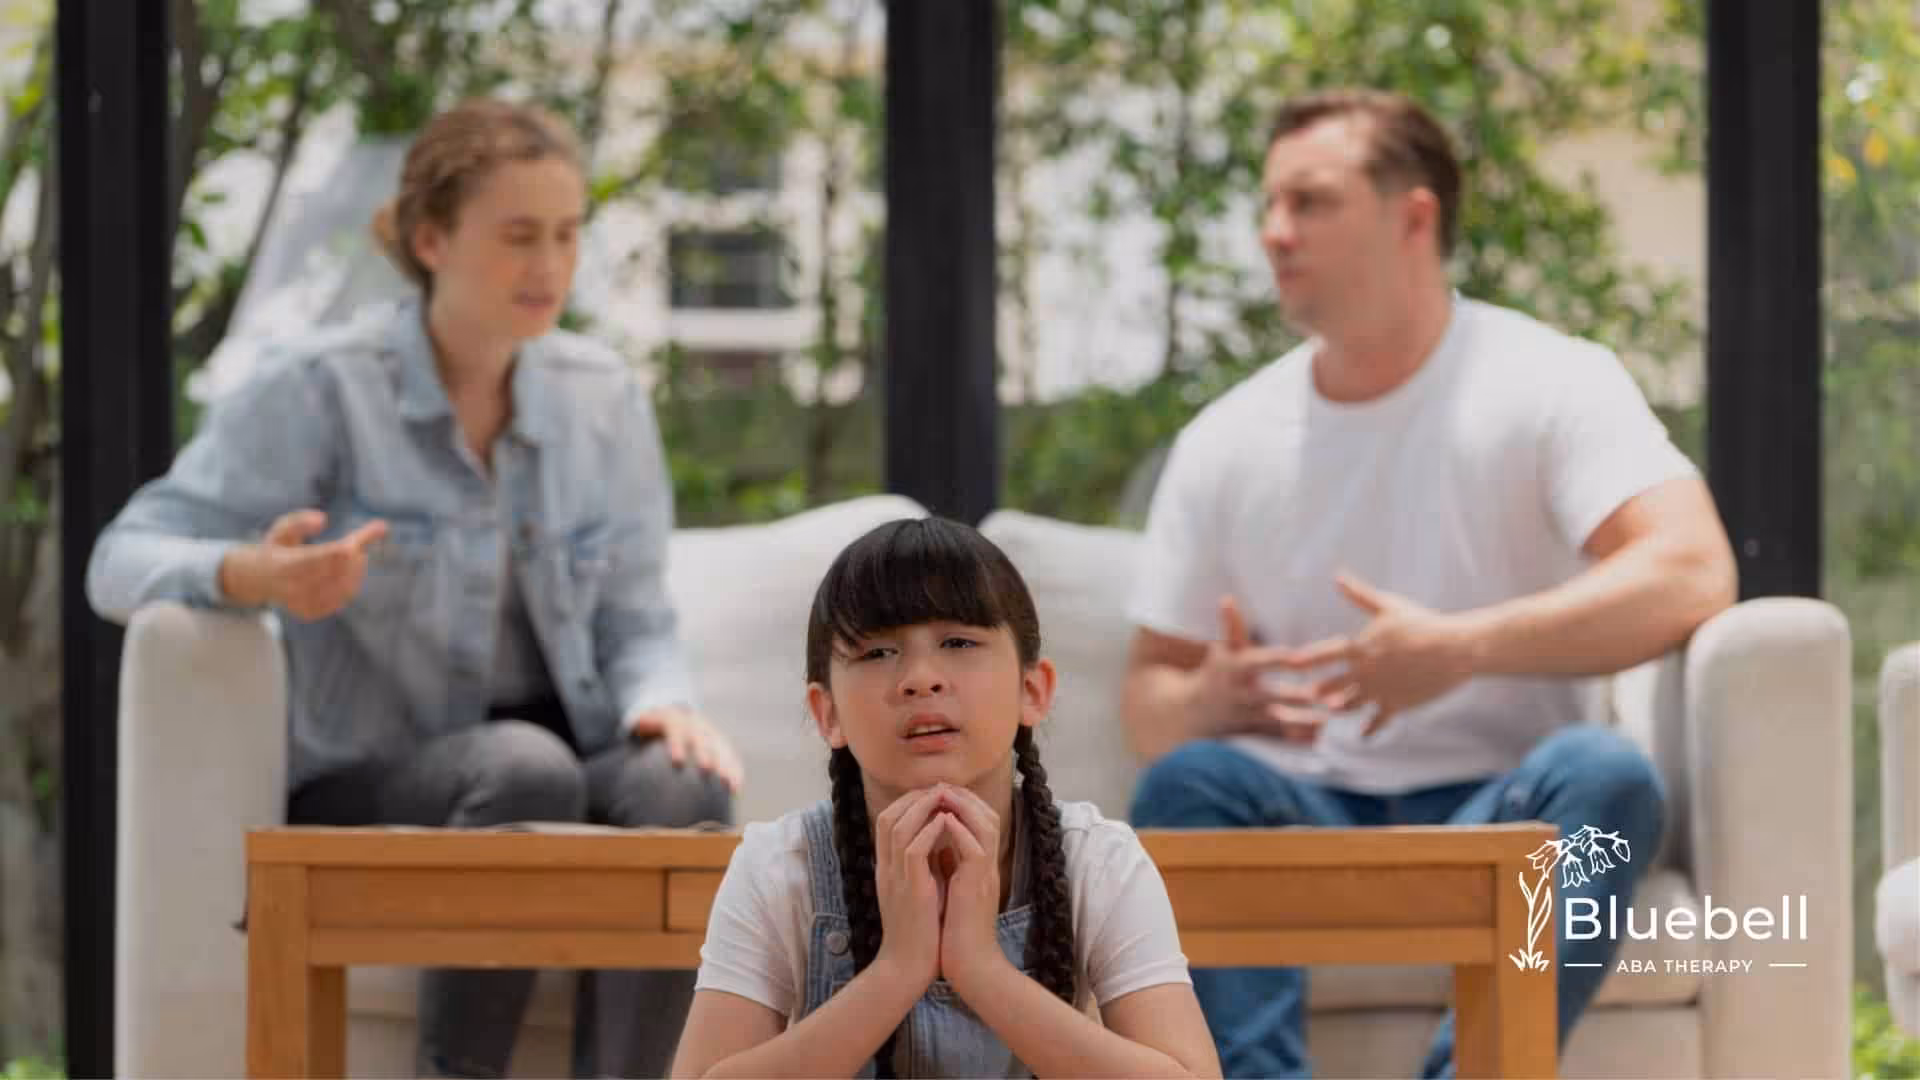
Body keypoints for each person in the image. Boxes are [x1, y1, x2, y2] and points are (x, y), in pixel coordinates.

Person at [86, 98, 740, 1079]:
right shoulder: (320, 388)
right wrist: (253, 575)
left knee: (685, 785)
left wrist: (662, 701)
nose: (551, 265)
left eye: (567, 234)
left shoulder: (603, 397)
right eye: (519, 235)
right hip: (380, 773)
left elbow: (636, 616)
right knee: (526, 770)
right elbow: (119, 554)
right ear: (431, 239)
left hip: (562, 754)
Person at [1121, 89, 1739, 1078]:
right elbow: (1148, 696)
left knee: (1610, 776)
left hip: (1506, 808)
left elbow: (1693, 568)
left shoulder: (1551, 380)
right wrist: (1207, 700)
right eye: (1269, 204)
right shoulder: (1225, 439)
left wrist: (1460, 649)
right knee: (1183, 782)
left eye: (1310, 201)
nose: (1274, 231)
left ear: (1414, 217)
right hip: (1303, 812)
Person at [670, 517, 1221, 1079]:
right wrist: (897, 969)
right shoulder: (779, 866)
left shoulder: (1098, 860)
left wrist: (979, 967)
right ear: (827, 713)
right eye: (877, 652)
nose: (921, 678)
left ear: (1032, 690)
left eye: (958, 643)